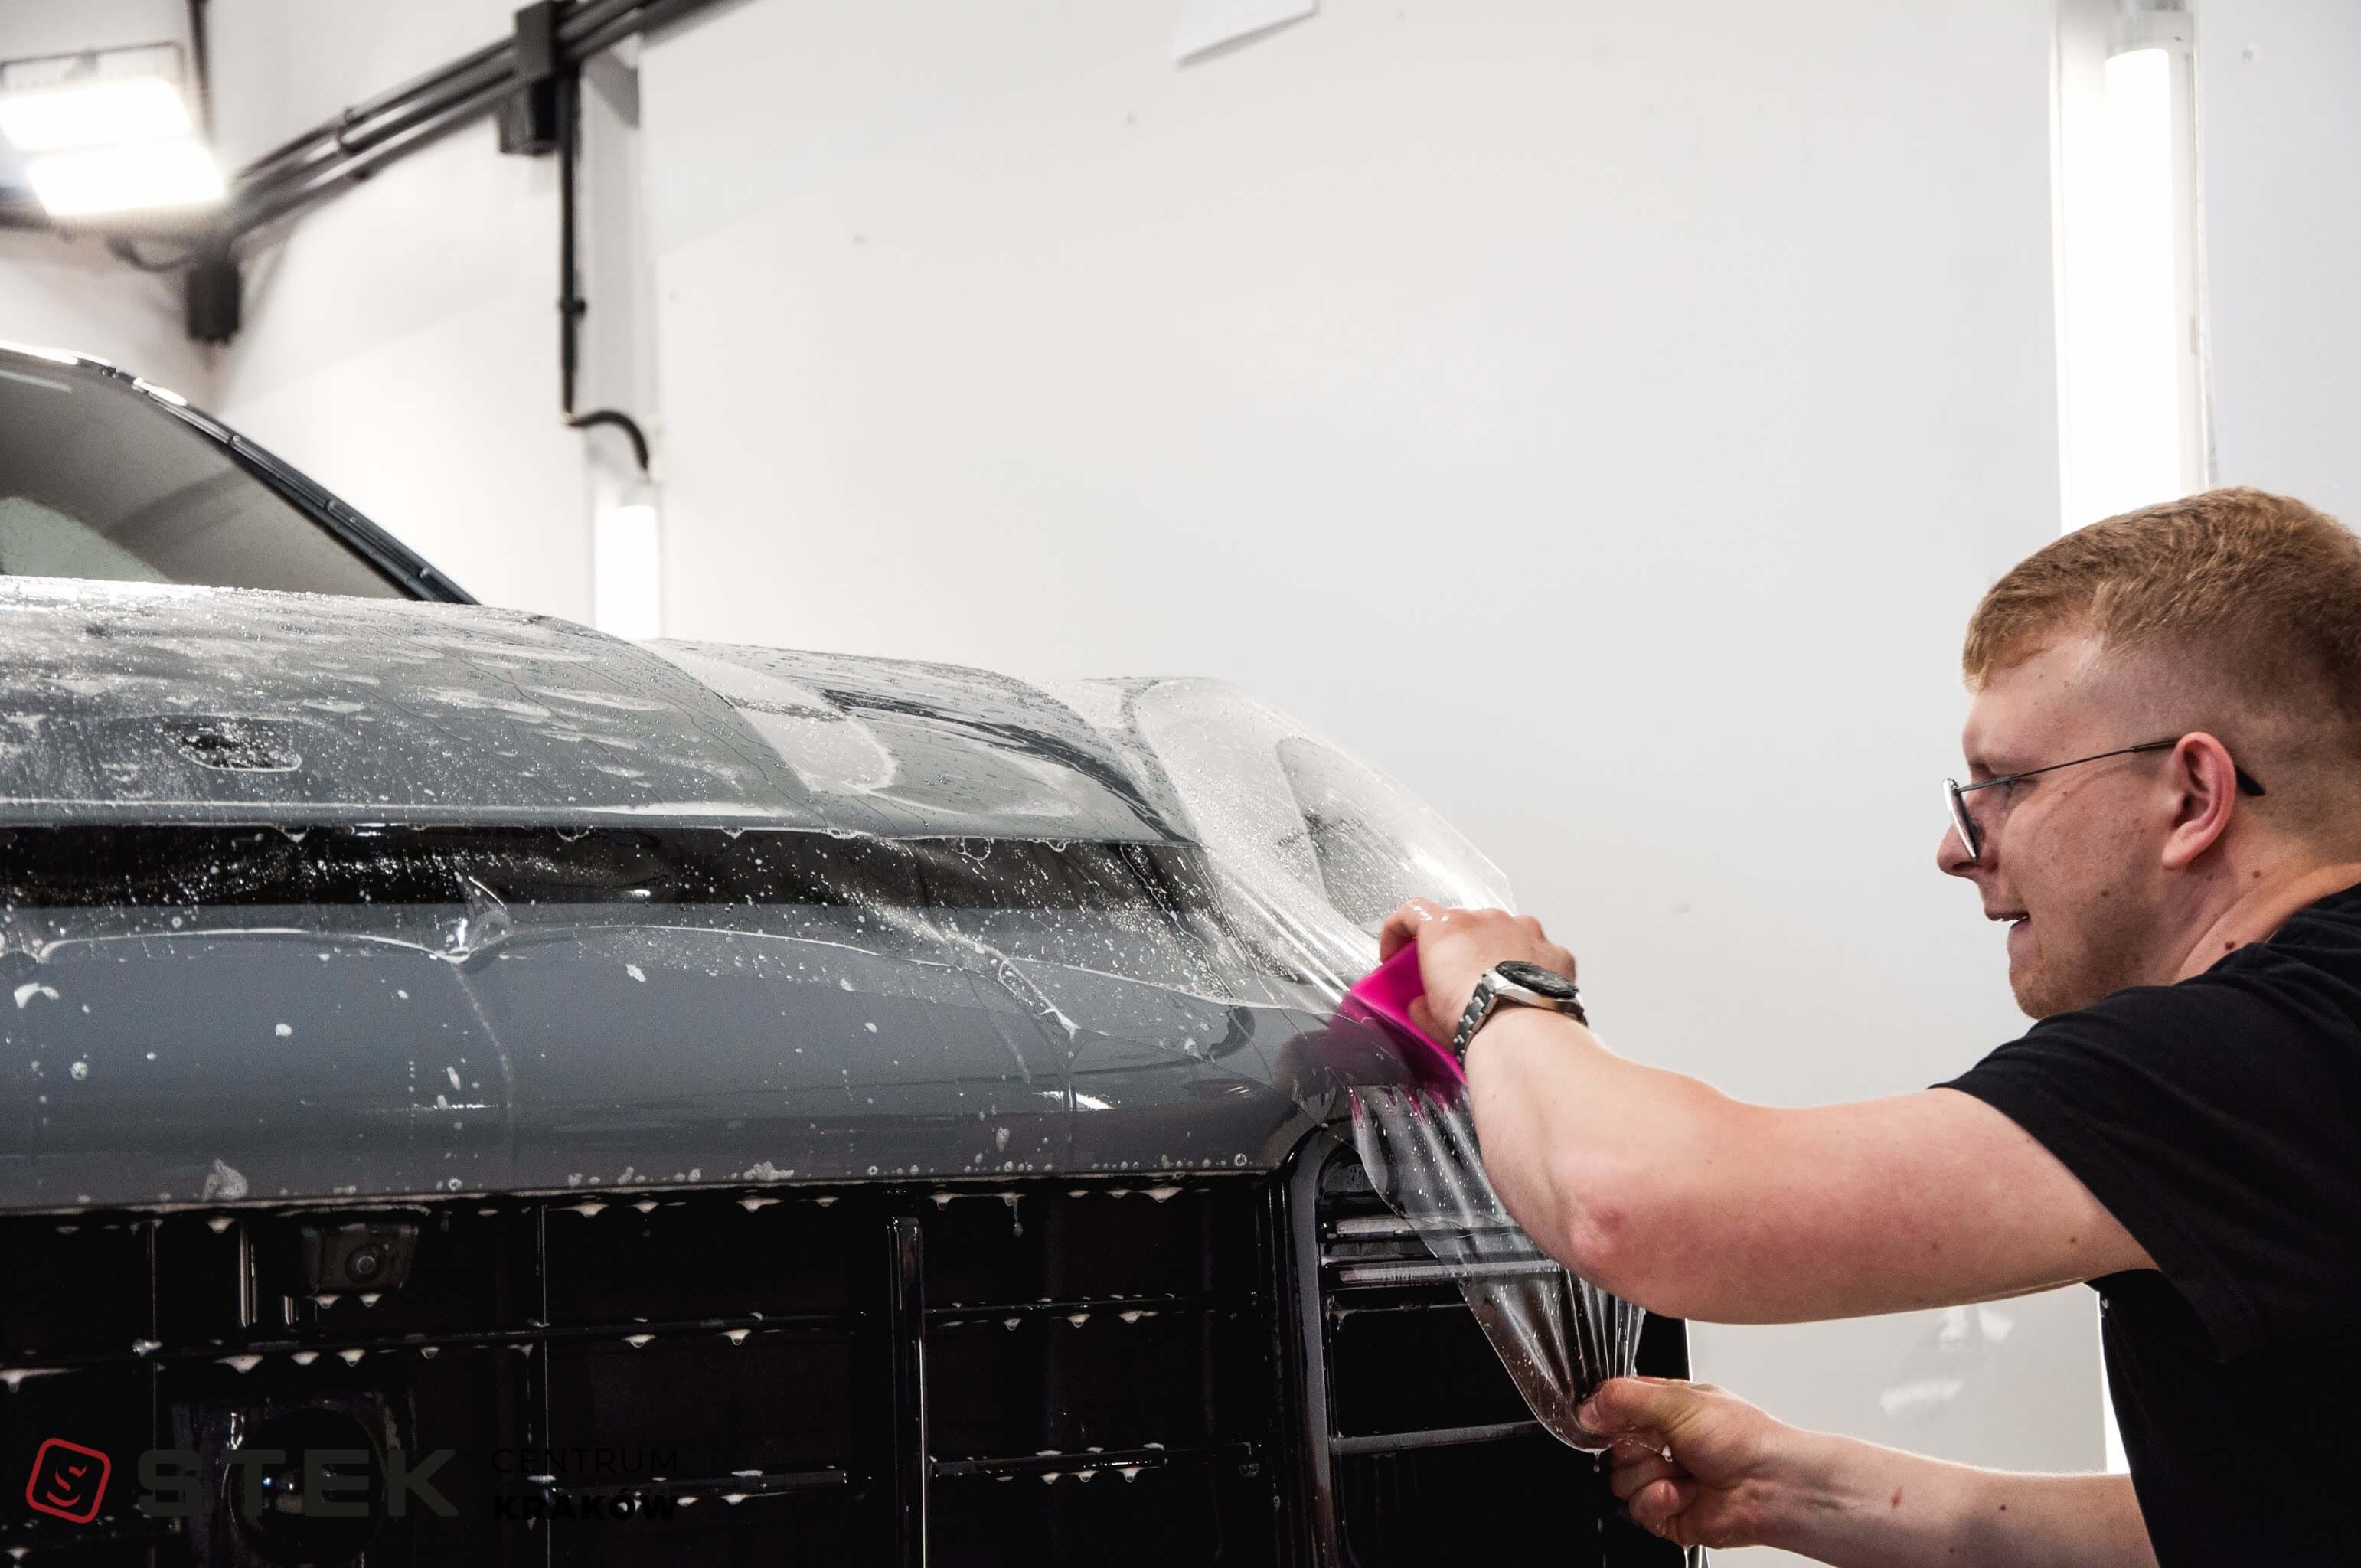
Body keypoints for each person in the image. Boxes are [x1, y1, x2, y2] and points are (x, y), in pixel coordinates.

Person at [1381, 488, 2361, 1566]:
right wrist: (1801, 1491)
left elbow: (1634, 1207)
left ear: (2192, 796)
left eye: (2005, 784)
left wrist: (1503, 991)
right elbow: (2261, 1521)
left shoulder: (2255, 1056)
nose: (1958, 848)